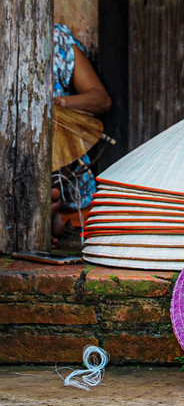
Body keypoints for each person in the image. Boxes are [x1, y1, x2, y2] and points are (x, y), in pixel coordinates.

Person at [51, 23, 112, 243]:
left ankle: (53, 214)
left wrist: (58, 104)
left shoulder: (56, 39)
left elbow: (101, 100)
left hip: (63, 172)